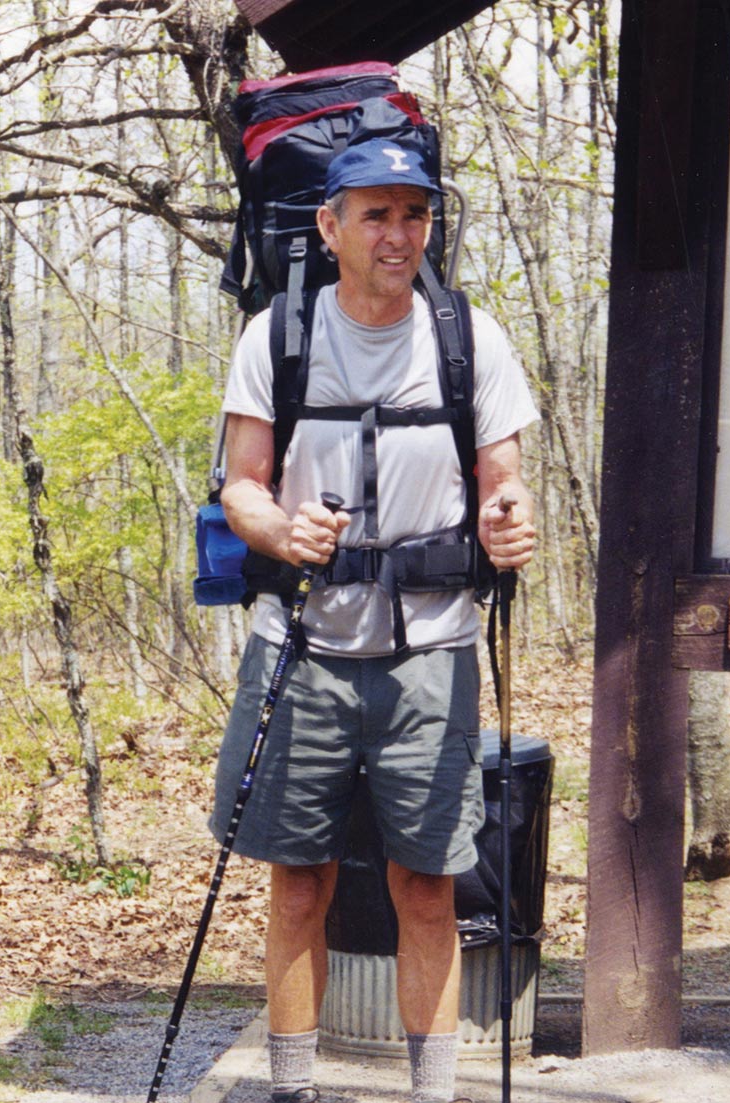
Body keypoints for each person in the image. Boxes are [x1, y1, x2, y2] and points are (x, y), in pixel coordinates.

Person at [211, 138, 537, 1103]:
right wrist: (285, 529)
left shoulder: (471, 338)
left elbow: (505, 483)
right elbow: (240, 488)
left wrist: (509, 523)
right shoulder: (278, 335)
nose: (399, 235)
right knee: (298, 881)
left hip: (432, 653)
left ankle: (431, 1092)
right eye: (377, 214)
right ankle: (291, 1089)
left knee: (427, 885)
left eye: (416, 214)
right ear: (330, 225)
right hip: (301, 648)